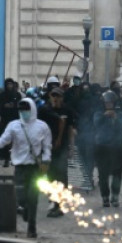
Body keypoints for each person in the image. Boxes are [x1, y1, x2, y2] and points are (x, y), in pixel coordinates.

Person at [0, 98, 51, 238]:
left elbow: (47, 147)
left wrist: (46, 162)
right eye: (21, 110)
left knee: (33, 197)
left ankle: (32, 227)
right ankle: (25, 209)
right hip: (20, 168)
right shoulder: (14, 126)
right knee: (21, 197)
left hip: (34, 168)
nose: (24, 112)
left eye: (26, 109)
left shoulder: (42, 127)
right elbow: (4, 140)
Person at [40, 87, 77, 217]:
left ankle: (60, 204)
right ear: (50, 97)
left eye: (58, 96)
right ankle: (53, 200)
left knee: (61, 175)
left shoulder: (67, 111)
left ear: (62, 98)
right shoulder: (44, 111)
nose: (55, 98)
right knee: (50, 175)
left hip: (63, 147)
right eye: (53, 96)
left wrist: (71, 147)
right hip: (48, 148)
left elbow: (71, 130)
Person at [94, 91, 122, 207]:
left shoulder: (120, 114)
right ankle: (105, 197)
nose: (109, 105)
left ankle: (115, 196)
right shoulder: (98, 113)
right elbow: (96, 124)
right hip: (102, 147)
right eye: (107, 103)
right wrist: (105, 116)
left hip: (117, 147)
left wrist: (115, 117)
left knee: (117, 173)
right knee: (103, 174)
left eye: (111, 103)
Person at [0, 79, 23, 167]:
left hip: (15, 118)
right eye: (8, 84)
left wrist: (14, 105)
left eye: (11, 84)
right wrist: (5, 105)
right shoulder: (1, 95)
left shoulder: (17, 95)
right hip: (5, 119)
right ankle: (6, 158)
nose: (9, 86)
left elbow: (20, 105)